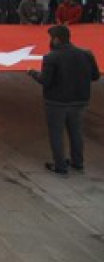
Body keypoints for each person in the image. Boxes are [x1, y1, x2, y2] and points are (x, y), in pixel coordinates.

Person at [28, 25, 100, 175]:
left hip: (57, 102)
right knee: (76, 132)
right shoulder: (86, 54)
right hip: (80, 101)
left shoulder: (51, 57)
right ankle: (77, 162)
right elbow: (95, 76)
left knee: (56, 134)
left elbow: (45, 80)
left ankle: (60, 166)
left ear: (56, 39)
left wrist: (32, 72)